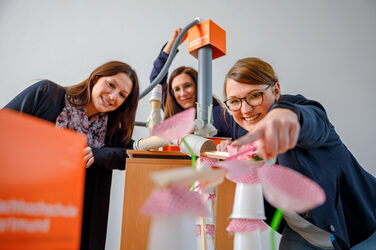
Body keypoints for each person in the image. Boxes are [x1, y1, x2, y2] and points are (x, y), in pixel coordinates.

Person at [218, 57, 376, 249]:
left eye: (255, 95)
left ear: (276, 91)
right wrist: (226, 147)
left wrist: (283, 116)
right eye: (235, 101)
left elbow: (307, 119)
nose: (245, 109)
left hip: (359, 226)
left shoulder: (301, 111)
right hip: (303, 231)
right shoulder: (242, 127)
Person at [4, 61, 140, 250]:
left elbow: (135, 156)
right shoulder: (47, 94)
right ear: (96, 77)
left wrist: (98, 154)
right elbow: (5, 125)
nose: (113, 96)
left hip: (70, 224)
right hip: (26, 211)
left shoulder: (111, 132)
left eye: (122, 95)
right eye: (111, 84)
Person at [150, 28, 247, 139]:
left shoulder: (216, 114)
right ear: (172, 93)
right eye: (177, 89)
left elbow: (239, 141)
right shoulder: (173, 112)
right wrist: (172, 44)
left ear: (198, 86)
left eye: (187, 86)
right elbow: (156, 80)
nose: (182, 93)